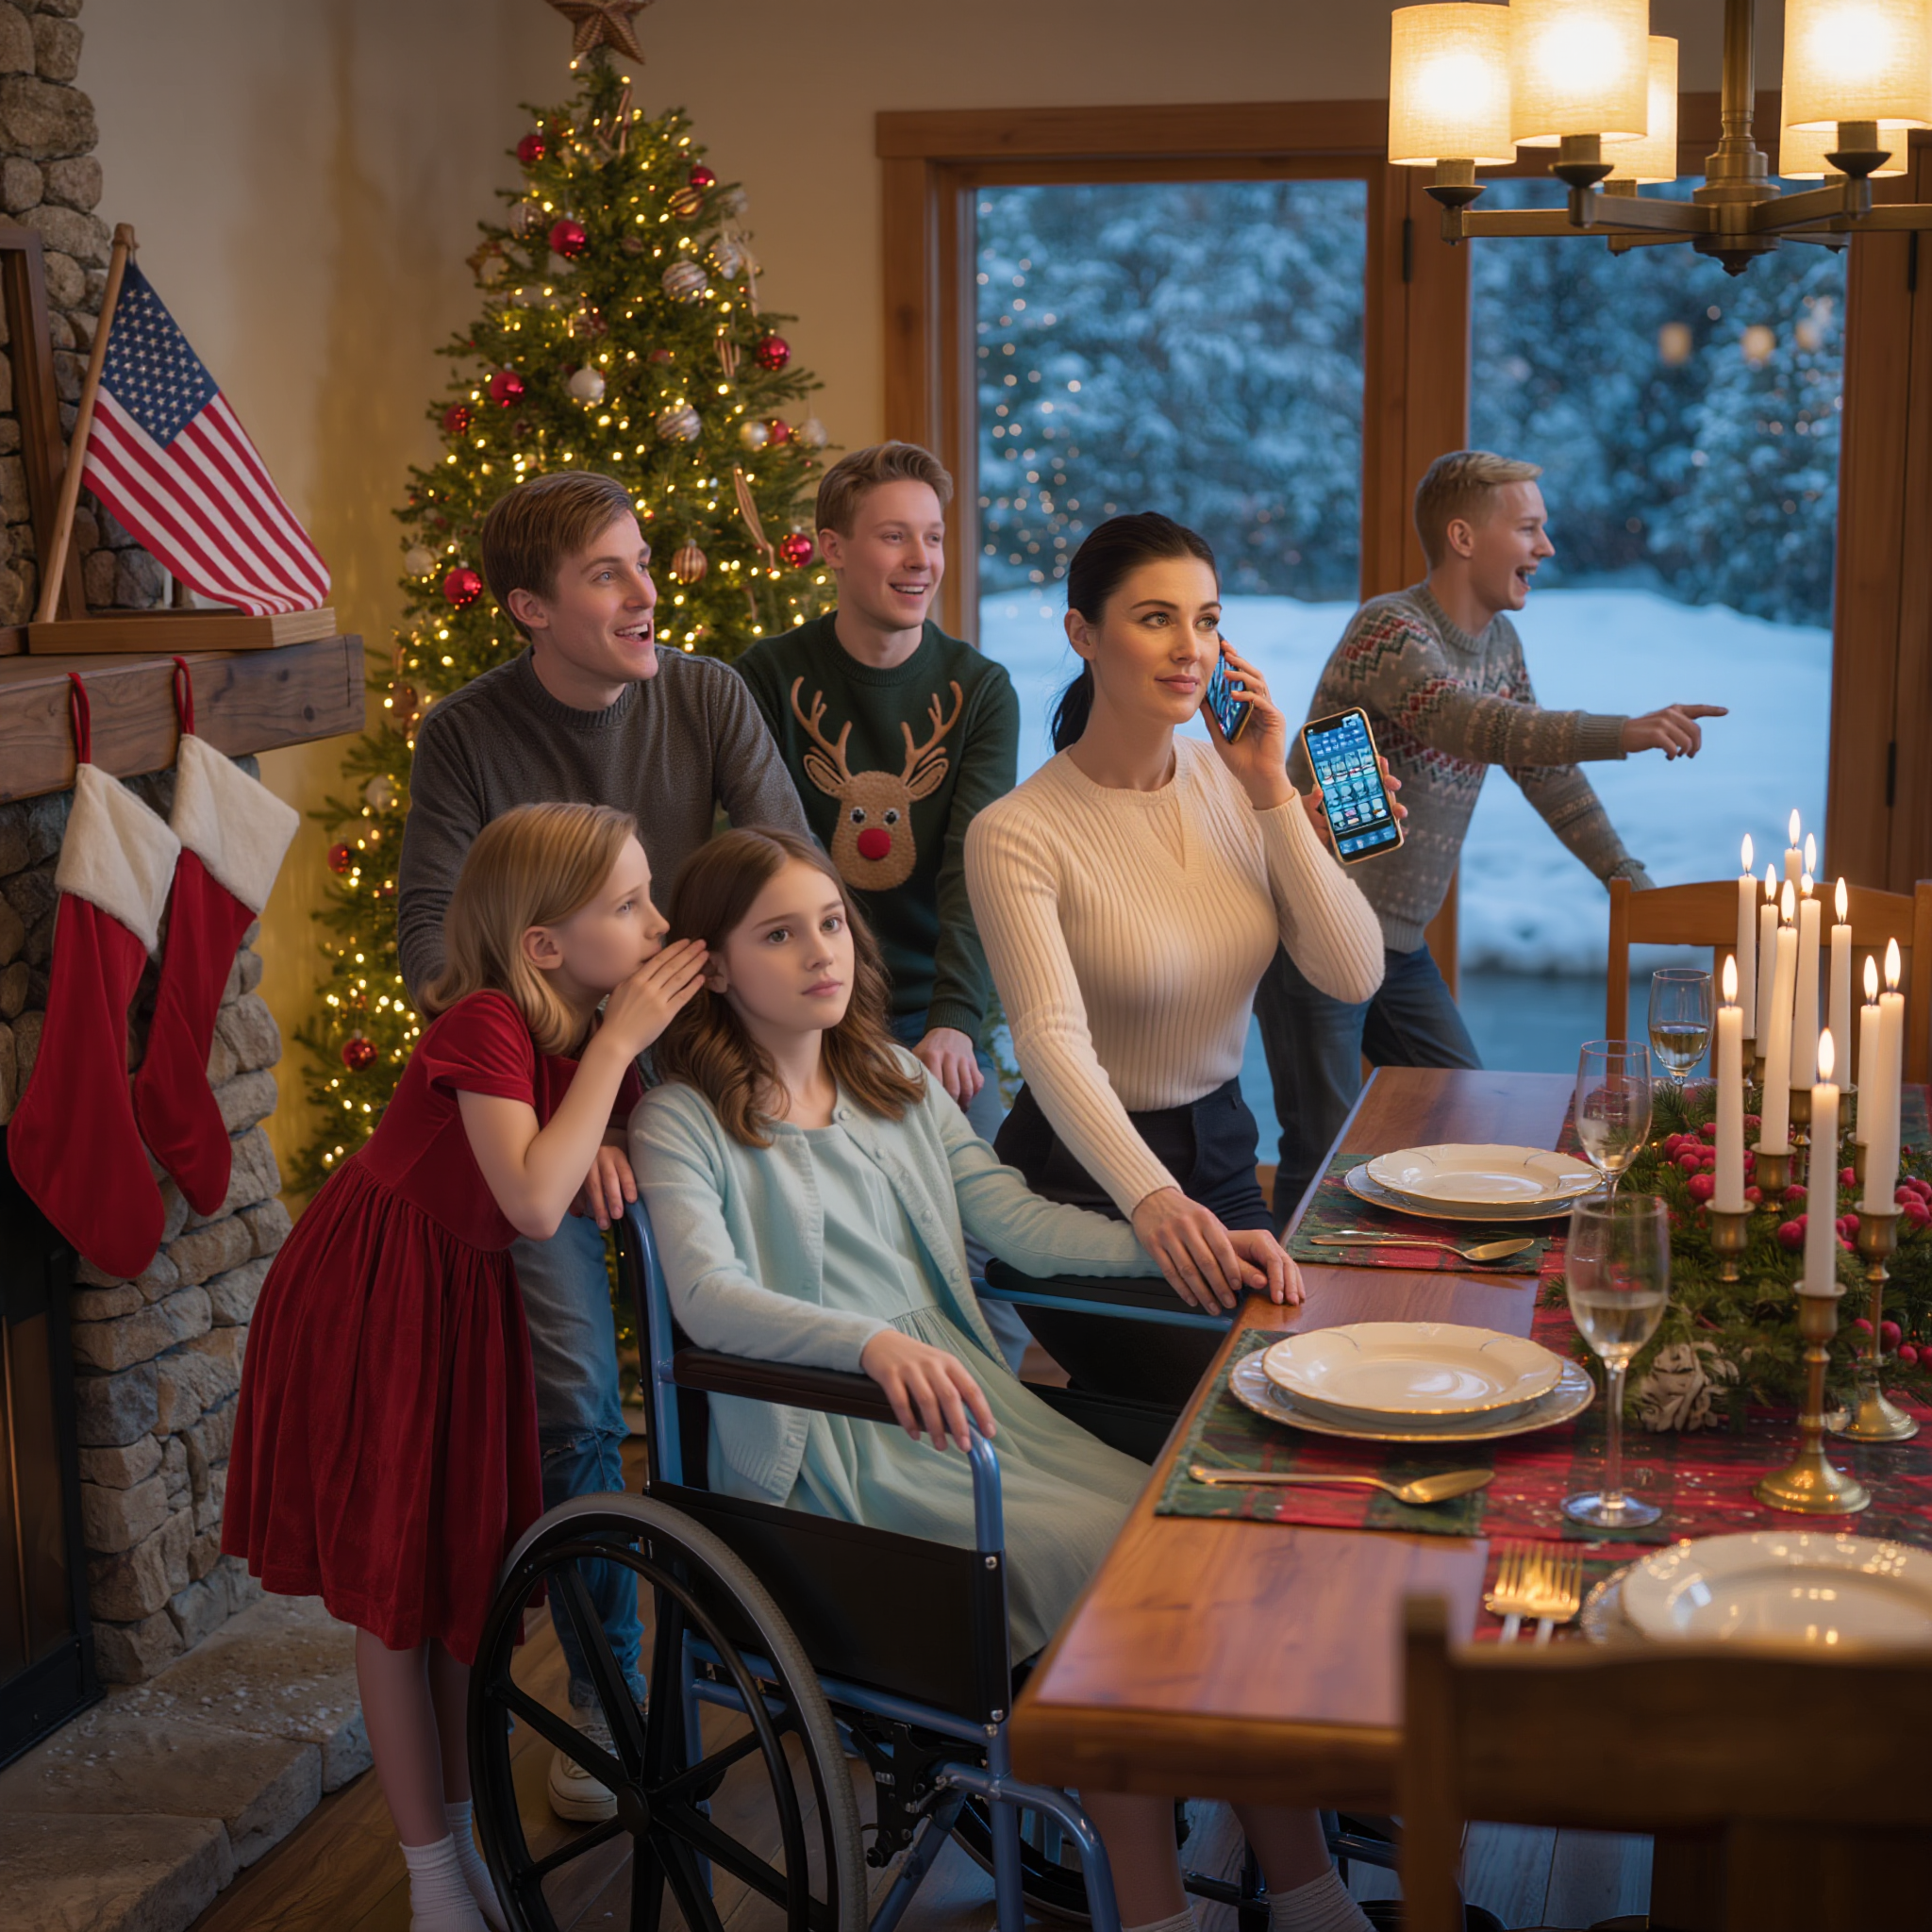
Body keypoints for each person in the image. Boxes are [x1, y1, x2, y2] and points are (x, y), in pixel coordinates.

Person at [630, 827, 1375, 1932]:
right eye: (778, 934)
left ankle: (1308, 1890)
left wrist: (1185, 1235)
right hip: (832, 1435)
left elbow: (1012, 1215)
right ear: (715, 962)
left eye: (830, 922)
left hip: (968, 1404)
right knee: (1103, 1573)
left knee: (1175, 1539)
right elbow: (708, 1296)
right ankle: (1162, 1913)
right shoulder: (681, 1116)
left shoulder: (888, 1079)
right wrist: (869, 1344)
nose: (819, 952)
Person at [394, 471, 809, 1824]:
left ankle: (766, 1666)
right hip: (550, 1119)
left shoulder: (706, 698)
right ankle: (612, 1710)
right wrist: (583, 1091)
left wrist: (642, 1095)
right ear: (529, 609)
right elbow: (435, 955)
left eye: (643, 564)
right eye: (606, 576)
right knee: (578, 1413)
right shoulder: (464, 738)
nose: (646, 595)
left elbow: (779, 881)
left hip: (687, 1087)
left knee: (739, 1371)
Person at [226, 804, 708, 1932]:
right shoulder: (488, 1022)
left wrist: (618, 1114)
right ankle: (427, 1872)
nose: (658, 921)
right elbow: (534, 1197)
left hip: (463, 1301)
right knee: (399, 1601)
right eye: (629, 902)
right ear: (542, 942)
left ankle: (457, 1834)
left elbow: (586, 1149)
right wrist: (621, 1050)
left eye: (652, 895)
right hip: (378, 1292)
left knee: (458, 1589)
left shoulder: (582, 1029)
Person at [963, 513, 1385, 1407]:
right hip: (1078, 1188)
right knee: (1230, 1402)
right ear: (1082, 632)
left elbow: (1353, 974)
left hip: (1225, 1162)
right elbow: (1049, 1041)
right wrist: (1152, 1201)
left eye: (1206, 619)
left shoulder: (1233, 780)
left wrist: (1271, 786)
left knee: (1292, 1381)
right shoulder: (1015, 833)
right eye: (1155, 618)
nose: (1188, 647)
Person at [1257, 449, 1728, 1230]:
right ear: (1464, 538)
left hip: (1395, 944)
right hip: (1315, 933)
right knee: (1323, 1147)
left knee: (1464, 1114)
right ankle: (1284, 1325)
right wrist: (1627, 731)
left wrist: (1629, 880)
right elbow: (1474, 724)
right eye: (1531, 528)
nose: (1546, 548)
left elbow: (1543, 770)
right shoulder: (1389, 630)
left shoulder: (1501, 649)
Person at [734, 441, 1027, 1365]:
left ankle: (1002, 1438)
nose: (920, 560)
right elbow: (770, 859)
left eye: (933, 538)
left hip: (930, 1005)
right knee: (816, 1251)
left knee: (991, 1246)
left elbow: (973, 871)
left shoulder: (977, 689)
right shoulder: (764, 678)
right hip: (804, 1011)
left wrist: (951, 1021)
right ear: (830, 549)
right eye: (893, 536)